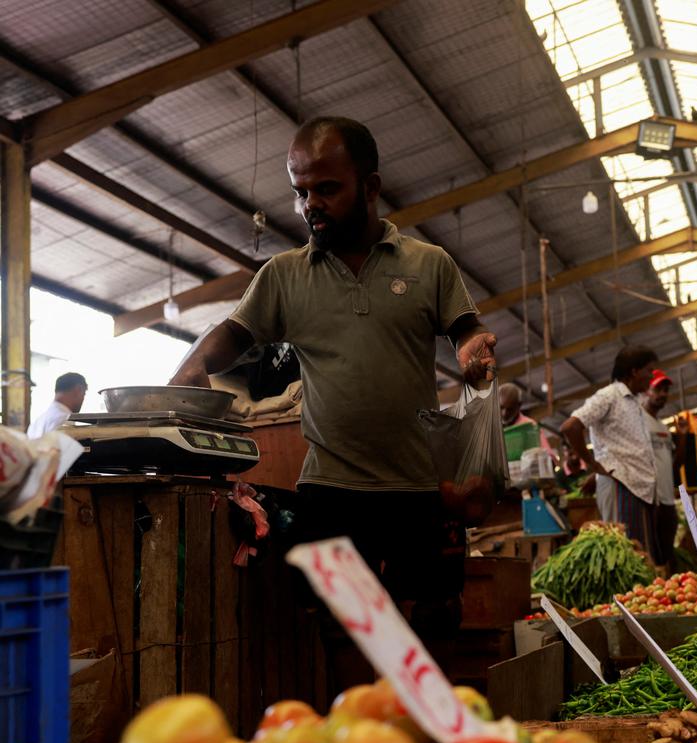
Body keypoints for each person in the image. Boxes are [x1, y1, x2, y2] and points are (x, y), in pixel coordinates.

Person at [169, 117, 497, 655]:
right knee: (341, 630)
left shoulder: (427, 264)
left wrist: (471, 347)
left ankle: (422, 733)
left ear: (370, 187)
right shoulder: (284, 275)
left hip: (416, 487)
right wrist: (193, 364)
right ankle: (358, 735)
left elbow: (466, 329)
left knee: (430, 621)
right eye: (300, 192)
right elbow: (233, 332)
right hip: (332, 487)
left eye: (326, 189)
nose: (309, 205)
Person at [559, 346, 658, 553]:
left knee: (638, 551)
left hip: (638, 486)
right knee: (622, 550)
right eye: (649, 370)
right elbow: (571, 426)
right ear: (634, 371)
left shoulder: (634, 401)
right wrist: (592, 464)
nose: (651, 376)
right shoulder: (608, 396)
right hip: (620, 482)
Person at [642, 369, 686, 569]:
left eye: (666, 390)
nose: (663, 394)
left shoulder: (663, 428)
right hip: (651, 500)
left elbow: (675, 466)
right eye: (658, 388)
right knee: (652, 554)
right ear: (646, 390)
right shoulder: (639, 421)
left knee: (667, 553)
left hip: (667, 499)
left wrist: (683, 436)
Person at [499, 382, 556, 460]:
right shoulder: (491, 428)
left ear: (519, 405)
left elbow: (549, 457)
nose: (504, 413)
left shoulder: (529, 427)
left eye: (510, 409)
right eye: (501, 407)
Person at [28, 372, 87, 438]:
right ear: (78, 390)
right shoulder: (65, 420)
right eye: (84, 394)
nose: (83, 399)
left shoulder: (38, 421)